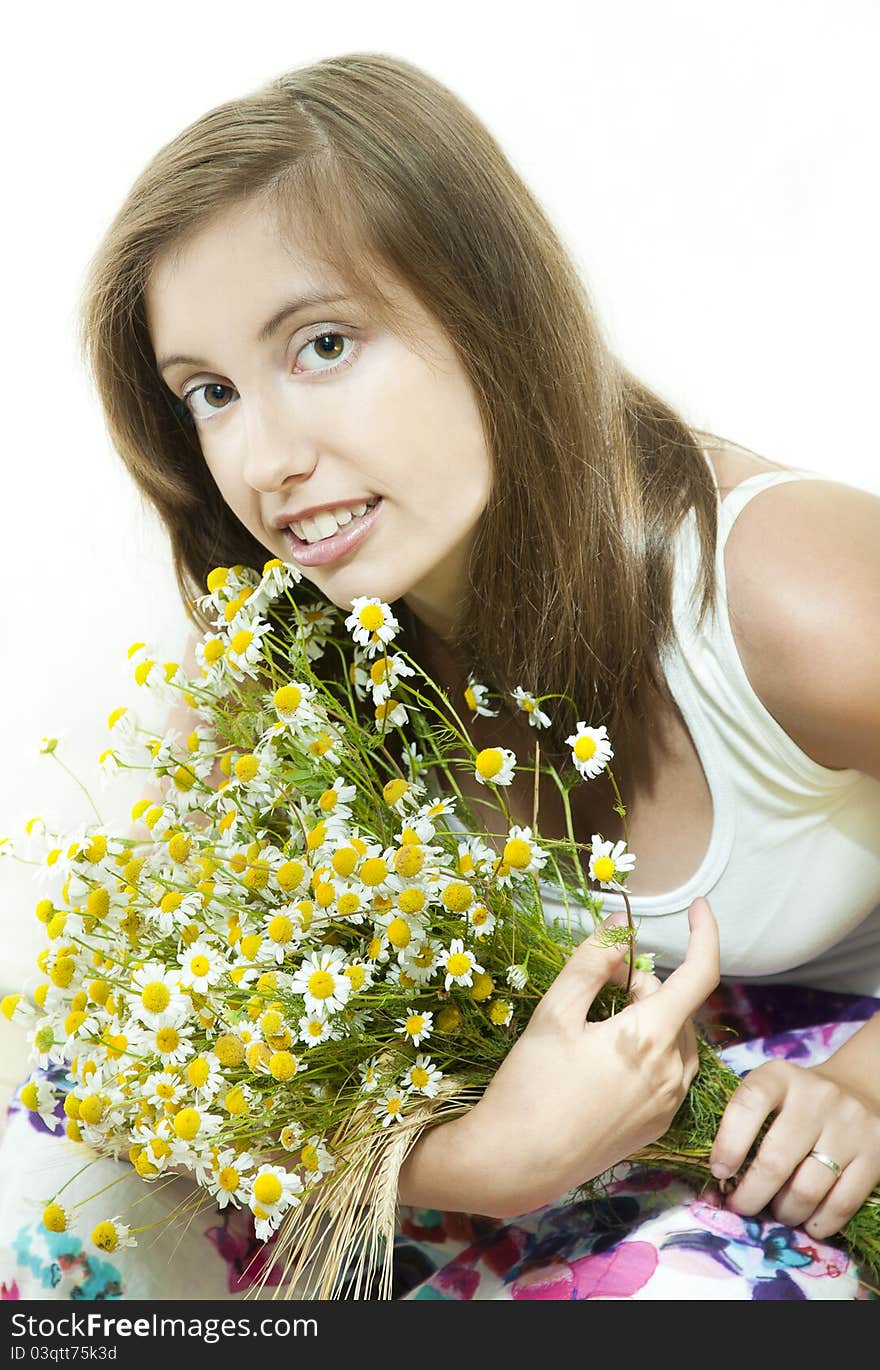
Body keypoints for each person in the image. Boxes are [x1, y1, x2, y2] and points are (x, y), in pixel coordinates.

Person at [2, 51, 878, 1302]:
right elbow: (154, 1070)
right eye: (209, 392)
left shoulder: (786, 590)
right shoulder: (293, 660)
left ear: (490, 311)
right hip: (561, 1094)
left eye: (320, 343)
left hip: (816, 1091)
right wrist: (480, 1157)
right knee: (54, 1173)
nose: (264, 459)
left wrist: (857, 1094)